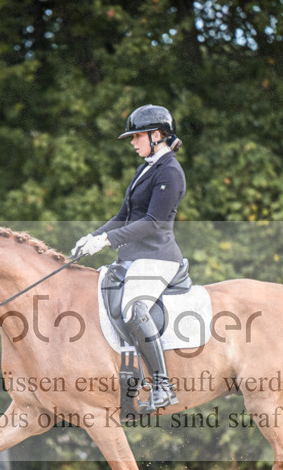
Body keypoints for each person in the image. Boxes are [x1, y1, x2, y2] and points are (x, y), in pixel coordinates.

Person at [72, 104, 186, 410]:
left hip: (158, 257)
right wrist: (94, 237)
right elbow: (124, 215)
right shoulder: (145, 168)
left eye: (137, 137)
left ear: (157, 135)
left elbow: (153, 222)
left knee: (135, 308)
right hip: (133, 258)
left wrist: (107, 240)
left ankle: (162, 385)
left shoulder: (170, 171)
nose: (133, 143)